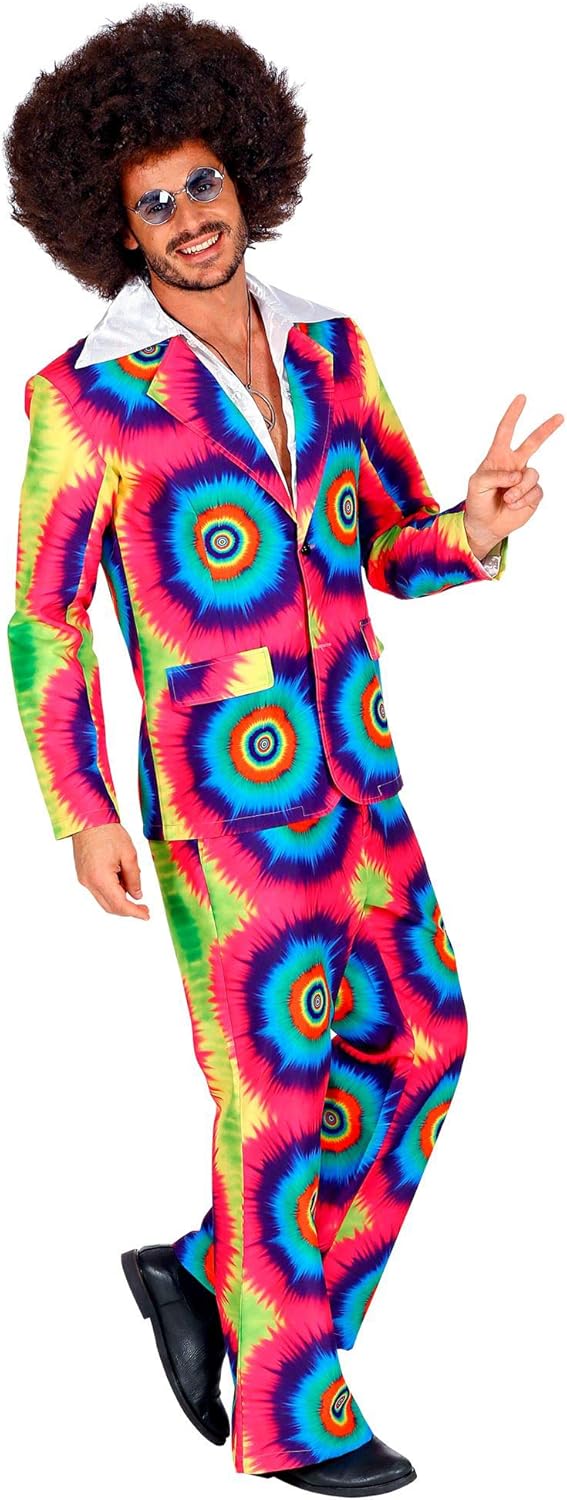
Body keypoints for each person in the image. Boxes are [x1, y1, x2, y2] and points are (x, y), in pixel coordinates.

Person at [4, 5, 563, 1494]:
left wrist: (474, 529)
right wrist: (81, 808)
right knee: (277, 1099)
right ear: (114, 227)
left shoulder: (332, 346)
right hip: (223, 814)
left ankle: (213, 1277)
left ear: (249, 171)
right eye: (154, 203)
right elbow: (44, 622)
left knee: (427, 1045)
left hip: (361, 782)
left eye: (204, 182)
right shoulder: (82, 400)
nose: (191, 217)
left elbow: (389, 542)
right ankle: (293, 1412)